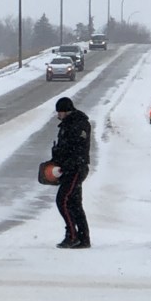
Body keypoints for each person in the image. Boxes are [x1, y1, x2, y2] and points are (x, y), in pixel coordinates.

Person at [50, 96, 91, 249]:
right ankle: (83, 238)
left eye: (59, 112)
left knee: (63, 200)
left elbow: (74, 148)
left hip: (75, 169)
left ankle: (72, 236)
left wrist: (65, 162)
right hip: (71, 167)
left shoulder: (77, 125)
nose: (57, 115)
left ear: (66, 111)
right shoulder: (69, 124)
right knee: (74, 203)